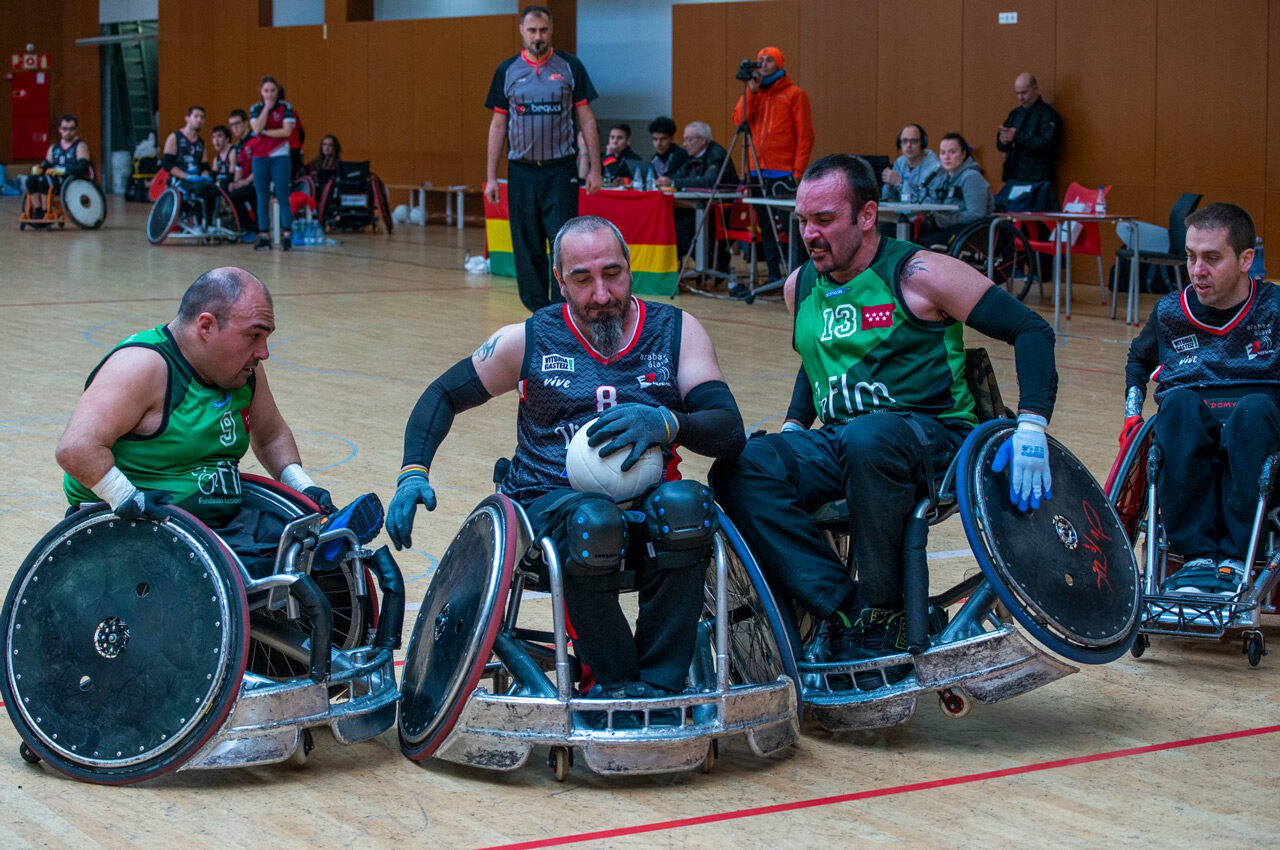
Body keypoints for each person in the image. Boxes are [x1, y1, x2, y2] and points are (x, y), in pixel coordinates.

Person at [711, 154, 1057, 687]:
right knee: (740, 464)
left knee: (871, 437)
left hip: (936, 436)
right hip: (844, 439)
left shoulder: (922, 272)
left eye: (824, 220)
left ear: (867, 215)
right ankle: (847, 607)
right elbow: (816, 357)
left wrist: (1032, 424)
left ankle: (887, 607)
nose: (810, 234)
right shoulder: (800, 285)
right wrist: (794, 424)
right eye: (803, 221)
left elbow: (1031, 330)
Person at [385, 216, 746, 699]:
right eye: (582, 279)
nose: (602, 293)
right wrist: (413, 471)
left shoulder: (676, 331)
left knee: (688, 504)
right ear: (560, 282)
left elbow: (729, 429)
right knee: (593, 519)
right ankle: (614, 685)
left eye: (613, 273)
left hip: (649, 510)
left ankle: (661, 686)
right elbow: (442, 395)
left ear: (629, 268)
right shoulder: (529, 339)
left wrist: (668, 423)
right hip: (550, 509)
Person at [55, 268, 376, 576]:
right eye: (253, 336)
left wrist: (302, 486)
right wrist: (127, 497)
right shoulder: (143, 366)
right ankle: (308, 551)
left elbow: (271, 435)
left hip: (223, 520)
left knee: (292, 530)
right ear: (206, 326)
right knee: (272, 560)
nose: (263, 352)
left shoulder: (242, 371)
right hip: (148, 529)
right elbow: (76, 448)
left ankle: (317, 540)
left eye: (266, 338)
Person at [1122, 203, 1280, 596]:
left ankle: (1237, 557)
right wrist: (1131, 415)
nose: (1196, 270)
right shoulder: (1170, 311)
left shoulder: (1275, 308)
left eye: (1211, 258)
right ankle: (1195, 559)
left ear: (1246, 260)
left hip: (1259, 423)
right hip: (1191, 417)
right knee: (1176, 408)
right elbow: (1137, 361)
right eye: (1191, 257)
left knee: (1255, 411)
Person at [485, 5, 602, 312]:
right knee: (526, 245)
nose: (538, 36)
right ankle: (537, 312)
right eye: (532, 30)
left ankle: (560, 309)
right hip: (521, 171)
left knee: (563, 244)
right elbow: (497, 125)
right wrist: (490, 176)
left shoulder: (570, 66)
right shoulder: (506, 70)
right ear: (521, 31)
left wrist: (595, 168)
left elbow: (587, 119)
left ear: (552, 31)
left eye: (543, 30)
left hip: (560, 171)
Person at [732, 46, 813, 283]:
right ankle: (774, 277)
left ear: (779, 64)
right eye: (760, 60)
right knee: (764, 226)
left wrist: (798, 171)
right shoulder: (755, 93)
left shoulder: (795, 94)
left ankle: (798, 276)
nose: (763, 64)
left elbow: (805, 136)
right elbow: (739, 120)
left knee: (791, 226)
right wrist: (751, 92)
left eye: (768, 60)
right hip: (756, 170)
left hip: (783, 171)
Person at [658, 121, 738, 269]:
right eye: (684, 139)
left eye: (689, 139)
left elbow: (709, 181)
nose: (684, 144)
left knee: (680, 228)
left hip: (720, 211)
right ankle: (669, 271)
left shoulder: (717, 154)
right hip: (697, 208)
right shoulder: (690, 155)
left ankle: (708, 270)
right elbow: (679, 176)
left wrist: (674, 182)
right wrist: (668, 180)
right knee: (666, 221)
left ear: (703, 140)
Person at [915, 133, 992, 249]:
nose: (946, 157)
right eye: (943, 153)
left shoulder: (971, 177)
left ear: (963, 154)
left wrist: (943, 220)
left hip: (966, 232)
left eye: (952, 152)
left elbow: (976, 214)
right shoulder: (943, 178)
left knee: (920, 245)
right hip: (947, 228)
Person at [248, 75, 297, 251]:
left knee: (283, 196)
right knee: (262, 197)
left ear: (278, 91)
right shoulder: (256, 108)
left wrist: (266, 131)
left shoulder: (286, 107)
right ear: (261, 92)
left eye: (272, 90)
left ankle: (287, 236)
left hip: (280, 155)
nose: (269, 94)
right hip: (260, 156)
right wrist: (266, 109)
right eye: (266, 91)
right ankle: (264, 236)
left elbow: (286, 132)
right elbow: (256, 128)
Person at [996, 72, 1062, 188]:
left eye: (1024, 93)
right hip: (1013, 176)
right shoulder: (1014, 114)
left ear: (1035, 89)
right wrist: (1003, 140)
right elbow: (1001, 145)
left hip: (1037, 179)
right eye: (1017, 93)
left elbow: (1047, 144)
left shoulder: (1048, 115)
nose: (1020, 98)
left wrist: (1016, 136)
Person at [24, 113, 91, 218]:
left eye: (71, 129)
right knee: (31, 180)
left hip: (70, 179)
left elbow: (83, 167)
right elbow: (47, 163)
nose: (68, 132)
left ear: (76, 130)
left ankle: (45, 211)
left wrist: (62, 170)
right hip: (54, 177)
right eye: (65, 129)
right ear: (60, 129)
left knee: (44, 181)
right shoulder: (54, 148)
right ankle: (38, 209)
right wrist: (39, 168)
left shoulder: (80, 146)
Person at [162, 105, 219, 227]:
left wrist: (205, 176)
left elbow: (204, 166)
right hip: (179, 180)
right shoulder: (175, 137)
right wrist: (186, 176)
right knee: (201, 190)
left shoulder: (201, 143)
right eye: (196, 116)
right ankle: (200, 221)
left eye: (202, 117)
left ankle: (209, 223)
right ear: (187, 119)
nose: (199, 120)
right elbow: (167, 165)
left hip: (196, 180)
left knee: (213, 189)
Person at [881, 124, 940, 204]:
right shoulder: (899, 163)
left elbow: (922, 203)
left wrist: (899, 184)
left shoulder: (935, 167)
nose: (908, 145)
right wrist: (889, 187)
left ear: (922, 143)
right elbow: (889, 201)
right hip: (900, 215)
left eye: (914, 141)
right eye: (904, 141)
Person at [226, 109, 257, 240]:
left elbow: (259, 166)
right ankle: (245, 227)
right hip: (247, 182)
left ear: (246, 123)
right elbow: (238, 167)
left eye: (237, 123)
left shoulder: (255, 139)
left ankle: (254, 228)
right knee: (230, 191)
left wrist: (245, 182)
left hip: (258, 181)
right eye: (232, 125)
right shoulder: (238, 145)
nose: (235, 127)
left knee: (239, 194)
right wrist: (235, 182)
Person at [646, 116, 688, 182]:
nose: (658, 143)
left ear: (672, 139)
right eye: (655, 139)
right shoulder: (654, 159)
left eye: (663, 139)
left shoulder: (681, 155)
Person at [209, 124, 236, 188]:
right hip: (221, 186)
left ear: (227, 139)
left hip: (232, 186)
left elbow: (232, 177)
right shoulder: (216, 159)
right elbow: (212, 177)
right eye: (213, 137)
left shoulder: (233, 152)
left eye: (219, 136)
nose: (216, 140)